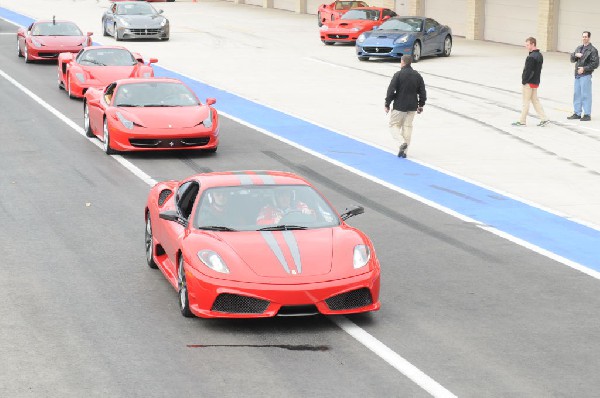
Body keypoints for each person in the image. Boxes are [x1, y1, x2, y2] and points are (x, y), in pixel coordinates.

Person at [384, 54, 426, 158]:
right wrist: (421, 105)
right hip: (412, 106)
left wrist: (387, 103)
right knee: (407, 127)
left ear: (403, 62)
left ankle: (401, 143)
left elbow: (391, 90)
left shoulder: (398, 74)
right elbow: (422, 92)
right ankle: (404, 151)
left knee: (393, 125)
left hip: (399, 105)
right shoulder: (418, 75)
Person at [512, 37, 549, 127]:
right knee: (535, 100)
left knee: (526, 102)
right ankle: (544, 118)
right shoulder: (539, 55)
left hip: (529, 83)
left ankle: (522, 121)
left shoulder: (531, 57)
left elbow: (528, 71)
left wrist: (524, 80)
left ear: (533, 44)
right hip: (535, 82)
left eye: (528, 45)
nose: (526, 46)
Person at [568, 31, 599, 121]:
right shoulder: (579, 48)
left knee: (586, 95)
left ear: (589, 38)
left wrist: (584, 69)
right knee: (577, 94)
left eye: (586, 37)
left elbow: (595, 64)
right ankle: (577, 113)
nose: (584, 38)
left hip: (586, 75)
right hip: (577, 75)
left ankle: (587, 114)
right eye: (583, 36)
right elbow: (572, 59)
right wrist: (575, 55)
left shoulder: (593, 50)